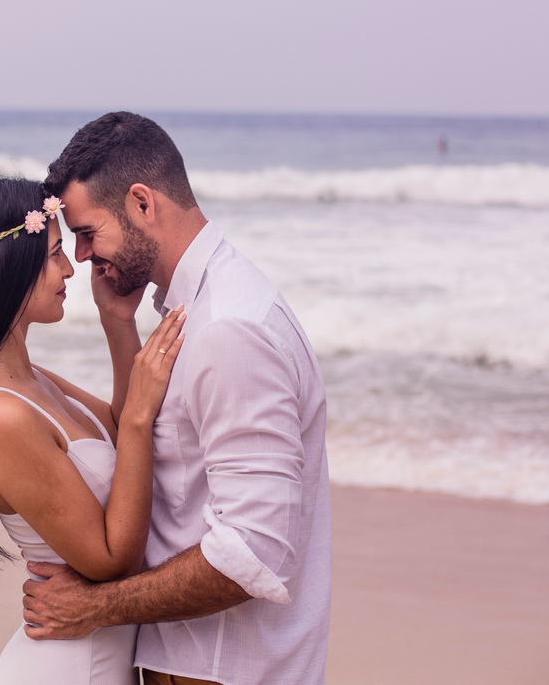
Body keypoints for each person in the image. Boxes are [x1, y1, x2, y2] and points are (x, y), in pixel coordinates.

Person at [22, 112, 332, 685]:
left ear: (142, 203)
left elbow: (255, 551)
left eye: (88, 232)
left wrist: (97, 607)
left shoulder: (230, 329)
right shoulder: (192, 310)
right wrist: (119, 322)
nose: (82, 255)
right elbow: (160, 468)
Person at [0, 175, 187, 684]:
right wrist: (135, 416)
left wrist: (117, 320)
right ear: (6, 271)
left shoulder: (32, 380)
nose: (71, 267)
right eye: (54, 254)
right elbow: (112, 561)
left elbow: (120, 430)